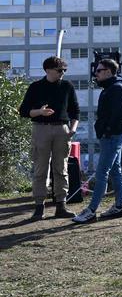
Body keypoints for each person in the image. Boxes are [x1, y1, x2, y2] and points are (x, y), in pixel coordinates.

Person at [18, 56, 79, 220]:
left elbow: (76, 111)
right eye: (60, 70)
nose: (63, 73)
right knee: (40, 169)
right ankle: (39, 207)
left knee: (61, 168)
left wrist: (72, 129)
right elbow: (23, 111)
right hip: (41, 130)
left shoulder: (67, 86)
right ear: (48, 70)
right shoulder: (35, 87)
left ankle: (61, 205)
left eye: (64, 70)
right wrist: (39, 112)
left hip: (62, 130)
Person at [72, 58, 122, 223]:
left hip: (112, 136)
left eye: (98, 71)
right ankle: (120, 207)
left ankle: (91, 211)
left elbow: (119, 115)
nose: (95, 74)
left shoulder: (116, 89)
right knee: (115, 171)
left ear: (108, 71)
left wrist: (106, 131)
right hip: (113, 135)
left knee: (101, 173)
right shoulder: (111, 88)